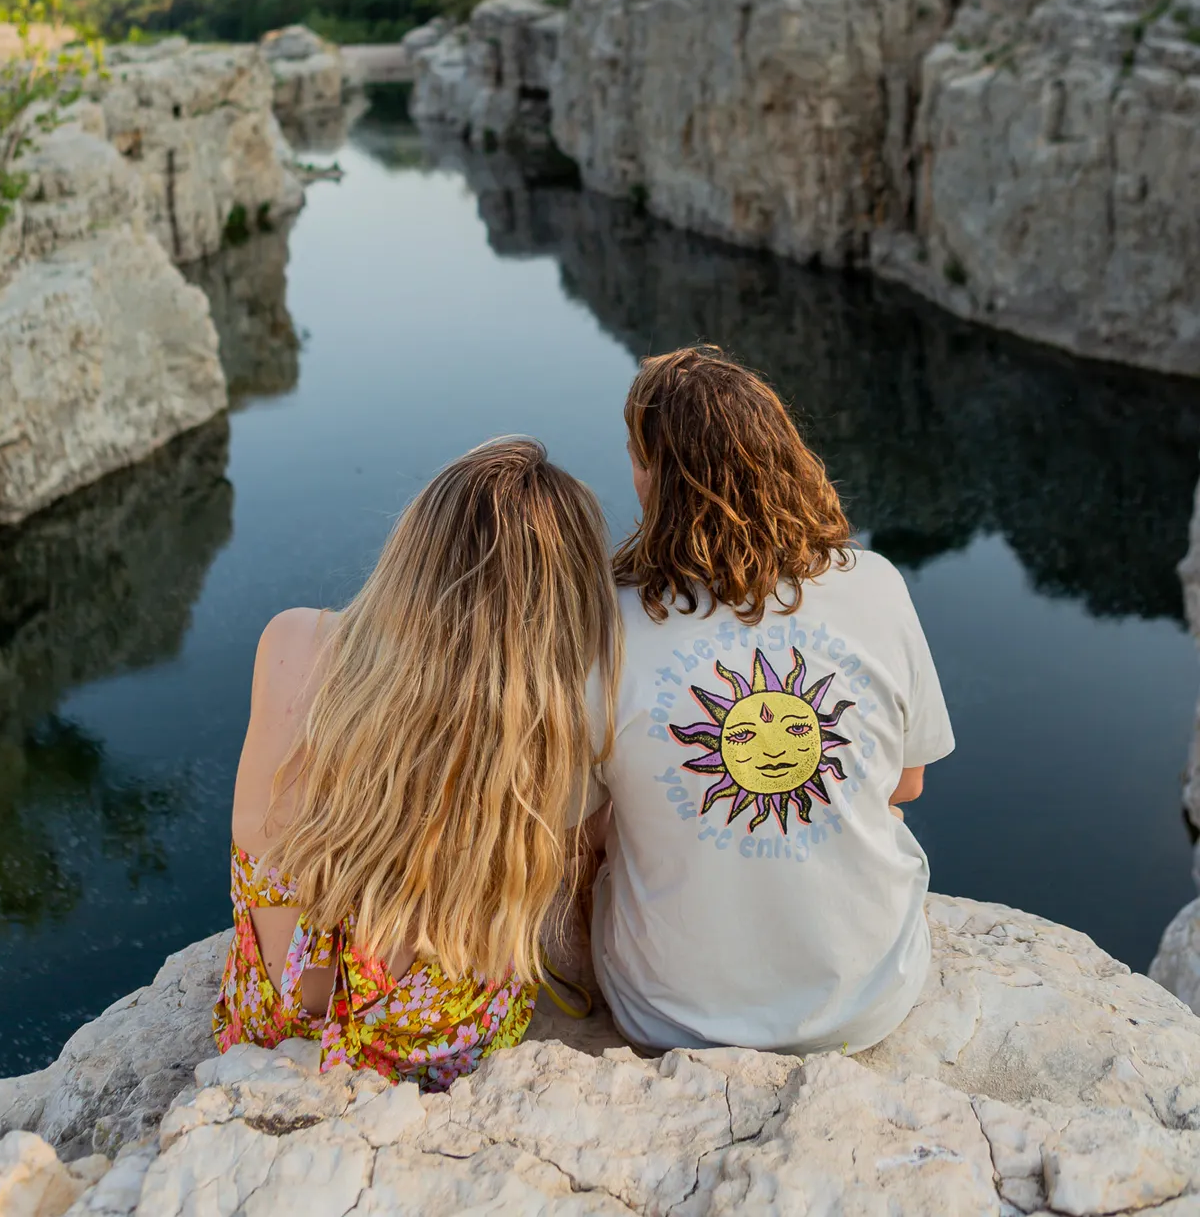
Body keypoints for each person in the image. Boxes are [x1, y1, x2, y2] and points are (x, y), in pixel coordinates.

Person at [213, 437, 621, 1090]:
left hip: (280, 1023)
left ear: (413, 546)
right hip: (445, 1046)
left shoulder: (292, 641)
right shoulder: (556, 726)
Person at [587, 345, 954, 1056]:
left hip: (669, 1016)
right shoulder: (875, 583)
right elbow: (907, 782)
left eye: (636, 455)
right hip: (871, 995)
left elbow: (575, 826)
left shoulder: (605, 624)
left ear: (656, 475)